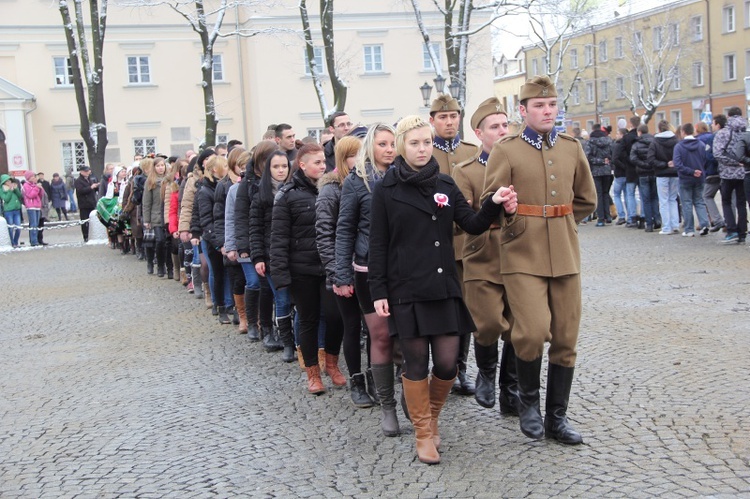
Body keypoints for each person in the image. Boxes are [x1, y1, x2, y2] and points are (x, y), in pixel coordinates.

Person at [369, 115, 516, 464]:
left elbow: (473, 224)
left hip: (443, 285)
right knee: (416, 363)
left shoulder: (445, 183)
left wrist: (494, 201)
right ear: (403, 146)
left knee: (448, 364)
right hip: (406, 287)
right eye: (415, 143)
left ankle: (433, 418)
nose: (422, 149)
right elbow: (378, 244)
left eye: (427, 142)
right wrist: (379, 291)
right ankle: (423, 433)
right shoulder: (386, 189)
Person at [481, 76, 596, 446]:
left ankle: (556, 419)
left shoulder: (571, 147)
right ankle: (527, 402)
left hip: (564, 252)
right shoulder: (507, 149)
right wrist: (510, 212)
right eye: (539, 106)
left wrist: (559, 224)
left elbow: (586, 200)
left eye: (551, 105)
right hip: (521, 253)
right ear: (523, 111)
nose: (547, 111)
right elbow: (490, 200)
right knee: (530, 331)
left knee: (565, 337)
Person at [453, 97, 519, 414]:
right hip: (483, 254)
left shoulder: (522, 162)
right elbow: (464, 217)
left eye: (505, 125)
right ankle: (486, 374)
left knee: (520, 327)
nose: (502, 131)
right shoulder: (465, 171)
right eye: (495, 127)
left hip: (520, 253)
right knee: (489, 322)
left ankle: (510, 390)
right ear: (479, 134)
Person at [336, 124, 399, 426]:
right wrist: (341, 274)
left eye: (393, 143)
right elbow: (345, 228)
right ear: (371, 146)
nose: (389, 149)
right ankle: (386, 402)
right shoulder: (357, 182)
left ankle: (411, 395)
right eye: (382, 143)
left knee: (409, 334)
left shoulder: (406, 176)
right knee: (381, 335)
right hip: (367, 268)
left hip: (404, 268)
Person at [271, 143, 344, 394]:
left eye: (324, 162)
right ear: (302, 165)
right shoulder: (287, 195)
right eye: (317, 162)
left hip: (329, 266)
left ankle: (332, 363)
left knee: (336, 317)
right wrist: (281, 275)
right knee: (309, 320)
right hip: (302, 269)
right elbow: (279, 238)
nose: (323, 166)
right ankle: (313, 373)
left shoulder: (333, 189)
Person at [428, 93, 480, 396]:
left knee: (464, 309)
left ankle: (459, 368)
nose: (449, 122)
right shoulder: (425, 152)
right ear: (433, 120)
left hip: (468, 245)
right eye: (443, 117)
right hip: (435, 243)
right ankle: (437, 366)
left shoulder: (471, 151)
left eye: (453, 116)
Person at [316, 136, 363, 396]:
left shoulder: (367, 184)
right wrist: (337, 274)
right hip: (343, 270)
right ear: (344, 159)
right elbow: (325, 234)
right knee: (348, 325)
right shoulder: (330, 190)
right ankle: (354, 379)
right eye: (355, 155)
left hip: (367, 267)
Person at [250, 150, 294, 360]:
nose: (280, 170)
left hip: (294, 254)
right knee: (282, 298)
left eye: (284, 166)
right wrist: (258, 257)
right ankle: (287, 342)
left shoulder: (294, 190)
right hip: (271, 256)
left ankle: (298, 340)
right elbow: (255, 229)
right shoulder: (261, 196)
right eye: (276, 167)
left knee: (297, 300)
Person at [236, 141, 279, 344]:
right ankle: (261, 326)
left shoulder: (281, 179)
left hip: (277, 241)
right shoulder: (248, 183)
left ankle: (276, 328)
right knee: (262, 286)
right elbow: (242, 215)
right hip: (258, 241)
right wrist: (244, 246)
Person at [199, 154, 232, 324]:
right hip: (213, 240)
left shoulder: (225, 186)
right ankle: (220, 307)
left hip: (225, 236)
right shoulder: (205, 190)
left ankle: (230, 303)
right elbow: (206, 219)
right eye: (224, 166)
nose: (227, 169)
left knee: (229, 273)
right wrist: (218, 242)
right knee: (218, 273)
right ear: (214, 170)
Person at [713, 108, 748, 244]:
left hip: (727, 173)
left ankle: (732, 230)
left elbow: (718, 153)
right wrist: (742, 163)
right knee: (741, 203)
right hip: (744, 172)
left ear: (728, 116)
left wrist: (733, 162)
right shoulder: (746, 132)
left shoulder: (723, 133)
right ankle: (743, 233)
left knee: (726, 201)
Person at [673, 123, 710, 237]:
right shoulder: (701, 145)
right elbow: (706, 159)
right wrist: (699, 171)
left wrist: (691, 171)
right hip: (699, 178)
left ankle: (689, 229)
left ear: (683, 132)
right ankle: (704, 224)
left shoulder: (679, 147)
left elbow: (678, 164)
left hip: (685, 178)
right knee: (699, 201)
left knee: (687, 203)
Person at [648, 120, 680, 235]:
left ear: (659, 129)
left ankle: (667, 227)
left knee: (664, 201)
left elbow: (651, 159)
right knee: (673, 199)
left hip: (662, 174)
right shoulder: (676, 140)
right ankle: (675, 225)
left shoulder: (655, 141)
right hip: (675, 173)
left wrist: (664, 164)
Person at [142, 156, 170, 277]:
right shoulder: (150, 181)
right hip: (156, 215)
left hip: (167, 214)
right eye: (158, 166)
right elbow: (146, 202)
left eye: (162, 165)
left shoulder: (169, 180)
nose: (160, 168)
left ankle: (169, 266)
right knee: (159, 241)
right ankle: (160, 264)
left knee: (167, 242)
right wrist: (147, 219)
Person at [630, 125, 661, 232]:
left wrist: (643, 164)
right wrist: (651, 165)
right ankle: (657, 219)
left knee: (646, 199)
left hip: (643, 174)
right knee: (655, 198)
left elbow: (633, 158)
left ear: (639, 132)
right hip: (654, 172)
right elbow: (659, 156)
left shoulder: (636, 144)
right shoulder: (655, 142)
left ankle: (649, 224)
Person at [696, 122, 725, 231]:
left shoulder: (706, 139)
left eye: (713, 123)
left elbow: (707, 156)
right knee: (729, 198)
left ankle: (716, 220)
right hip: (728, 172)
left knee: (706, 195)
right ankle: (730, 222)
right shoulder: (730, 135)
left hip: (712, 172)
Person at [585, 123, 614, 226]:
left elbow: (587, 157)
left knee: (599, 194)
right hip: (607, 170)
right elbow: (613, 154)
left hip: (596, 171)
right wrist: (607, 161)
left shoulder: (590, 142)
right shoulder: (609, 141)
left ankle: (601, 219)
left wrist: (599, 161)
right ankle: (608, 216)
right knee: (606, 193)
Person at [74, 166, 100, 242]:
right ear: (82, 172)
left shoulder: (89, 179)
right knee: (85, 221)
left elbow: (92, 190)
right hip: (84, 204)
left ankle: (92, 234)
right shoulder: (78, 181)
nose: (88, 172)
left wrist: (96, 187)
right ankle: (86, 236)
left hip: (91, 203)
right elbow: (80, 191)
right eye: (86, 171)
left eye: (88, 171)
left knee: (92, 220)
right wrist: (91, 187)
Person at [0, 174, 23, 248]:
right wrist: (10, 190)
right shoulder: (2, 189)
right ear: (4, 182)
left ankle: (16, 241)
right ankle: (12, 242)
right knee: (10, 227)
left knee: (18, 227)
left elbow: (20, 195)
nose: (9, 182)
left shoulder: (14, 187)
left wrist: (16, 189)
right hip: (9, 210)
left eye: (10, 180)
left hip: (17, 209)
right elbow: (6, 199)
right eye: (7, 181)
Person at [21, 171, 43, 246]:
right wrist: (37, 188)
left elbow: (40, 196)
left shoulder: (35, 185)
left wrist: (40, 189)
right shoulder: (26, 186)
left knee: (36, 224)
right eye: (33, 176)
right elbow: (31, 195)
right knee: (33, 224)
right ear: (29, 178)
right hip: (31, 207)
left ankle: (36, 239)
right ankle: (34, 241)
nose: (34, 178)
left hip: (37, 206)